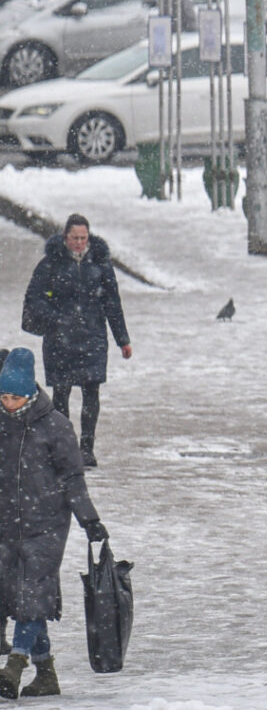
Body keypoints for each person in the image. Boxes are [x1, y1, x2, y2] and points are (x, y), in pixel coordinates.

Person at [0, 347, 109, 698]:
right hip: (5, 525)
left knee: (32, 592)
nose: (8, 403)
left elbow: (73, 479)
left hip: (45, 525)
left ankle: (13, 668)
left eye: (15, 397)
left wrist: (89, 520)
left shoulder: (56, 427)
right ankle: (46, 673)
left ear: (30, 394)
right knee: (19, 597)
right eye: (3, 396)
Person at [21, 213, 131, 468]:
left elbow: (112, 303)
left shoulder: (100, 264)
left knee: (92, 393)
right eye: (74, 238)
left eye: (83, 238)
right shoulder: (50, 265)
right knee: (61, 395)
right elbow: (34, 298)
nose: (79, 243)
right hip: (60, 340)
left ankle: (87, 448)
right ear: (65, 237)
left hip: (93, 337)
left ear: (89, 237)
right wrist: (56, 318)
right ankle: (65, 448)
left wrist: (122, 339)